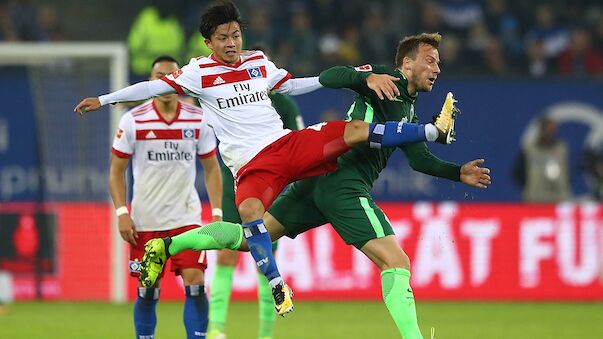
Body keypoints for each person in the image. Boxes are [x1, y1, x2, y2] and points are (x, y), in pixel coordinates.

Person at [74, 1, 455, 316]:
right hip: (253, 165)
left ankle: (433, 130)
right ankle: (273, 283)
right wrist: (105, 100)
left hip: (286, 146)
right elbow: (154, 86)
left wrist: (359, 77)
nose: (231, 43)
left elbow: (293, 83)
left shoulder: (258, 61)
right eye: (222, 37)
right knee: (249, 220)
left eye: (235, 35)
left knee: (353, 130)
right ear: (208, 42)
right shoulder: (197, 73)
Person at [139, 32, 491, 339]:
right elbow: (333, 76)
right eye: (430, 61)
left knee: (248, 239)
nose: (437, 69)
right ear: (408, 62)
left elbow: (418, 160)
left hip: (313, 182)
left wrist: (456, 172)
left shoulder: (408, 110)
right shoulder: (386, 81)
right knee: (396, 261)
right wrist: (361, 76)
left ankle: (166, 245)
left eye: (438, 63)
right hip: (344, 182)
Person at [109, 55, 223, 339]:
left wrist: (218, 214)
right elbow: (116, 171)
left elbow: (212, 168)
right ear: (150, 81)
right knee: (148, 290)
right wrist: (122, 213)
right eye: (159, 76)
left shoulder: (198, 118)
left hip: (187, 219)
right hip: (145, 221)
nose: (165, 82)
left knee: (196, 284)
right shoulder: (133, 120)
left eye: (171, 76)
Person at [209, 87, 303, 339]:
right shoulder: (227, 96)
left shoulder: (283, 104)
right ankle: (215, 329)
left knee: (265, 262)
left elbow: (297, 142)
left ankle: (266, 335)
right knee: (227, 255)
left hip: (268, 187)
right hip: (234, 183)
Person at [512, 115, 571, 202]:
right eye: (547, 129)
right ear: (541, 129)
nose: (550, 132)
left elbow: (567, 173)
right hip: (534, 200)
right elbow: (518, 173)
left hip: (558, 199)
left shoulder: (561, 150)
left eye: (552, 129)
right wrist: (529, 187)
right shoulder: (530, 150)